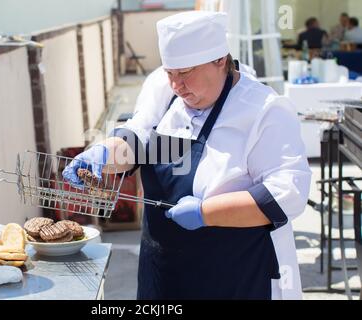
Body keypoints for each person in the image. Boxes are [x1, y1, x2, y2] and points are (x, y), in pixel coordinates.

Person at [63, 11, 311, 300]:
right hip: (165, 271)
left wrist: (205, 213)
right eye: (170, 73)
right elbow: (140, 138)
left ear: (220, 60)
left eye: (185, 73)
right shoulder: (165, 91)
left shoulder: (264, 111)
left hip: (234, 275)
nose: (176, 85)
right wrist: (102, 154)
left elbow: (287, 193)